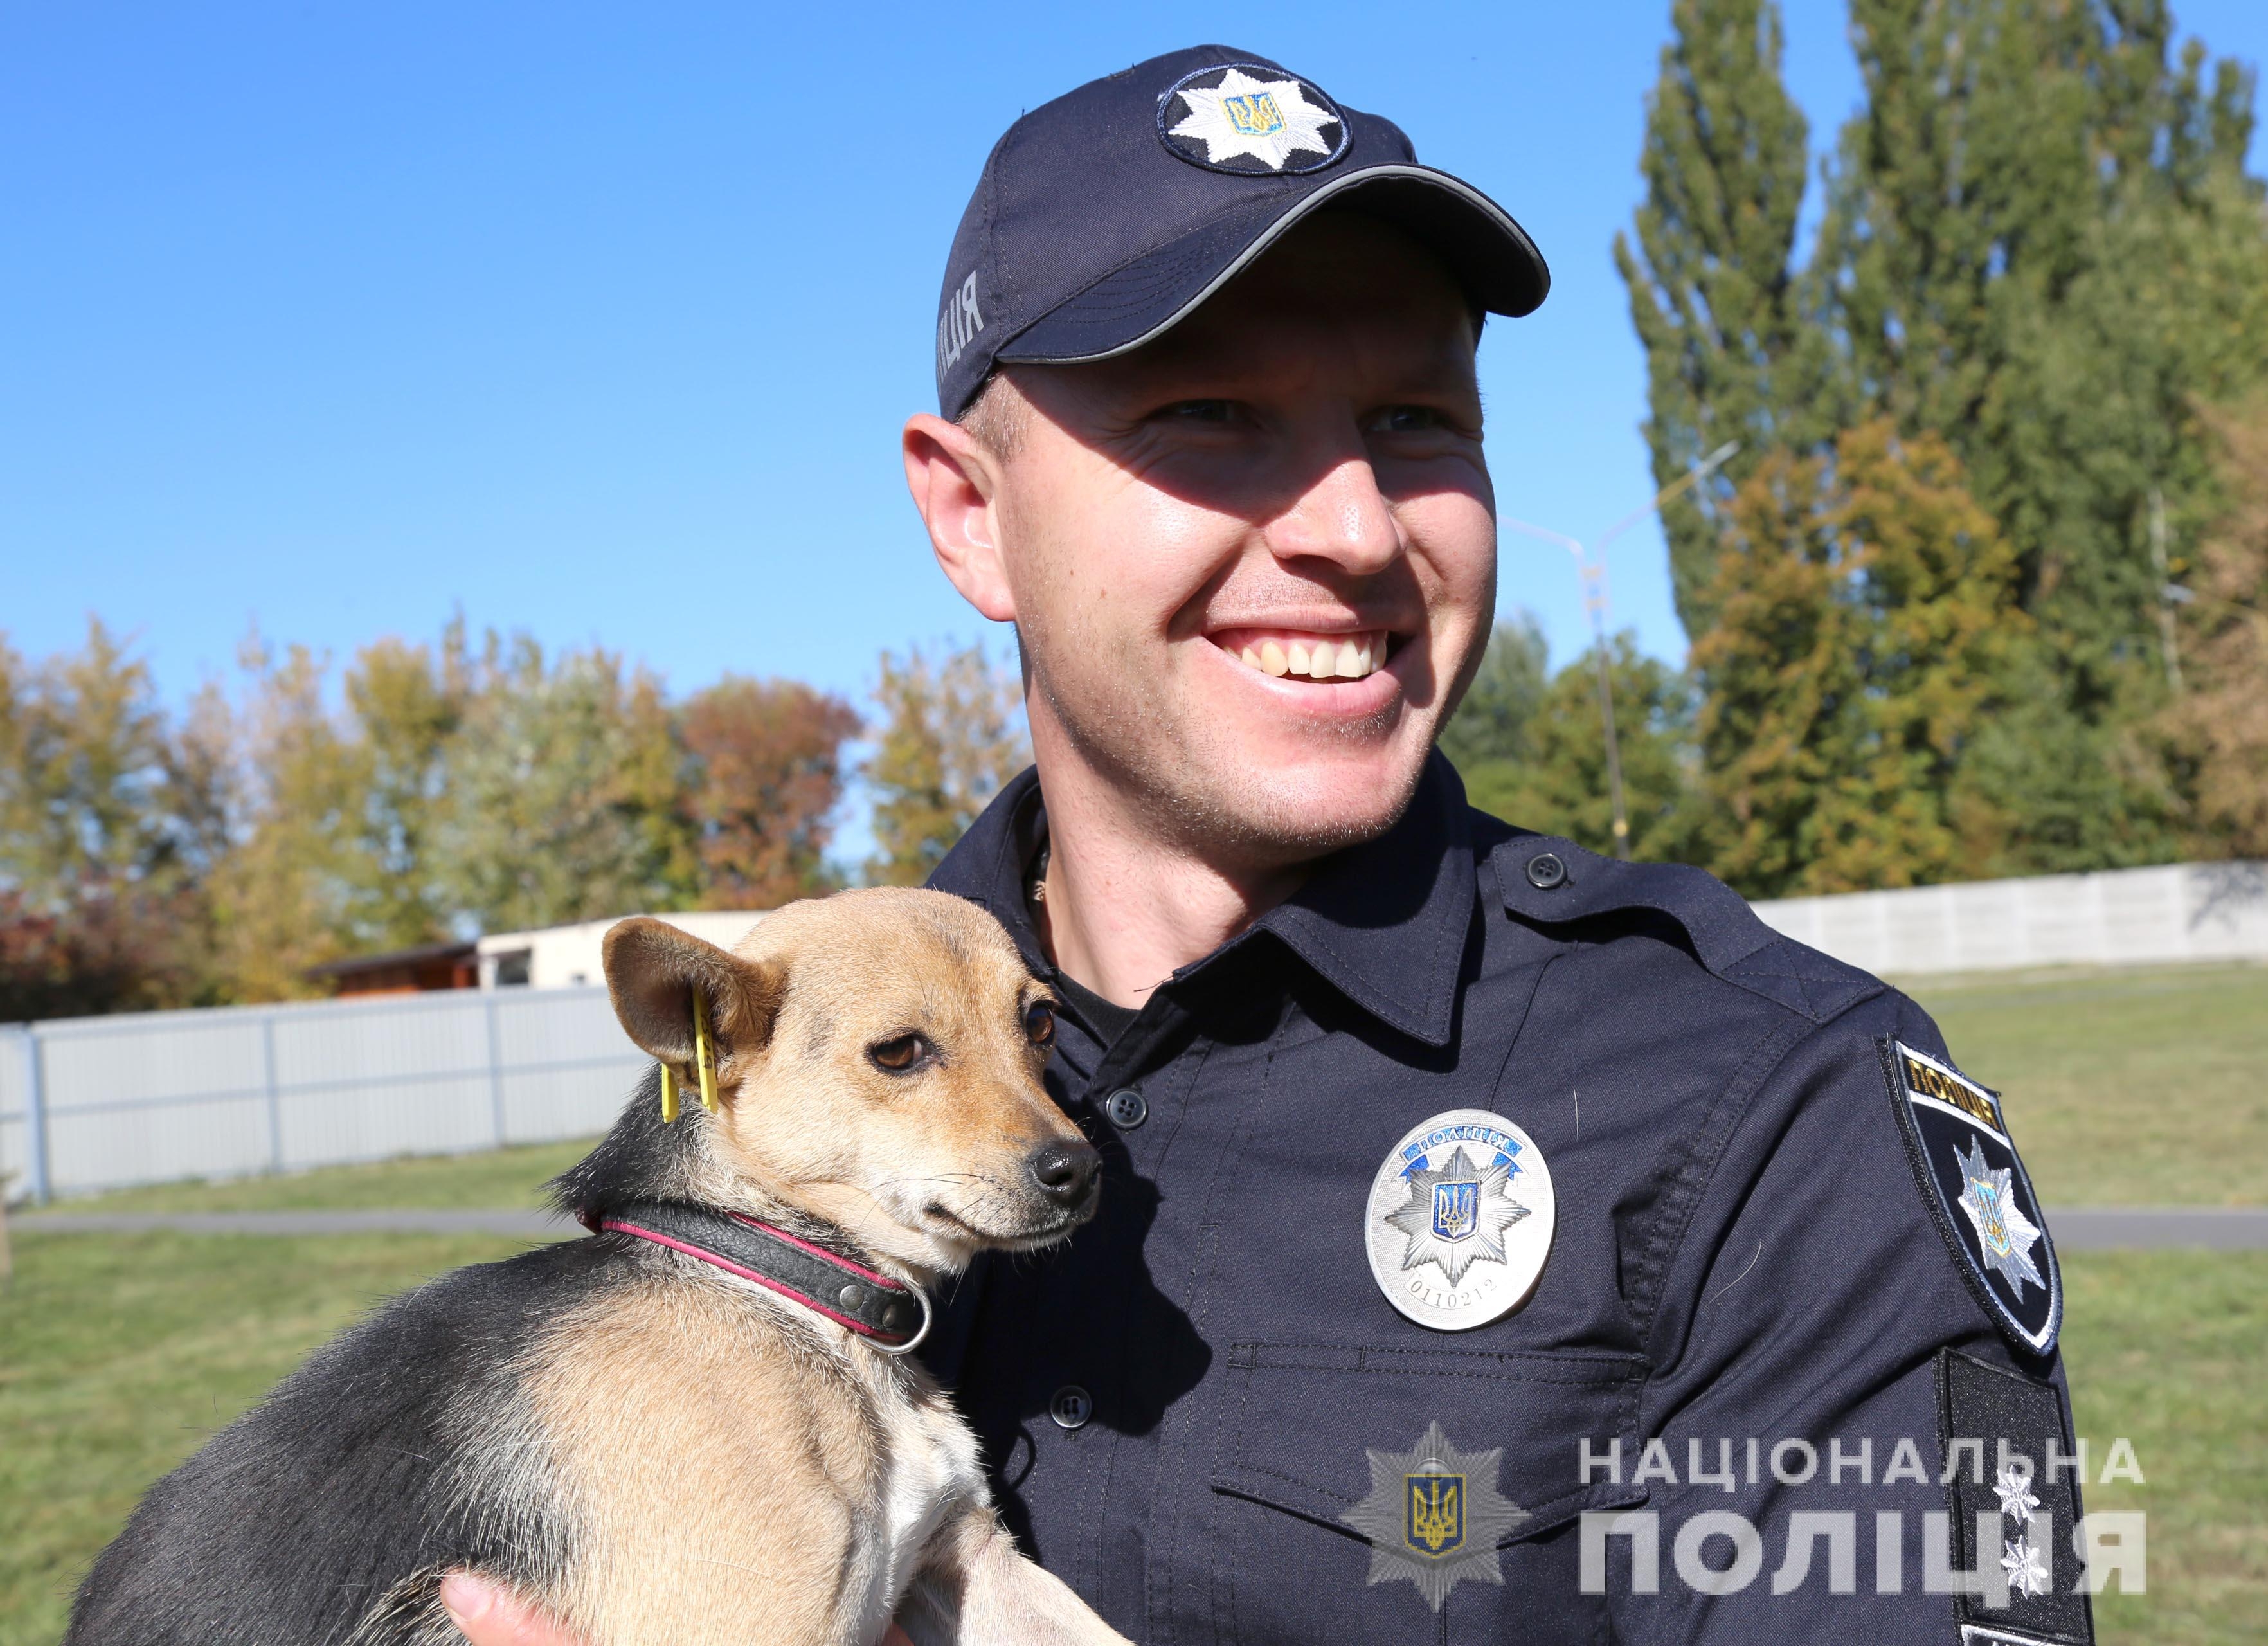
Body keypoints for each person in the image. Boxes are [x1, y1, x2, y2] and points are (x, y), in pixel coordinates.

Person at [447, 46, 2092, 1645]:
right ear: (969, 513)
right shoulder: (799, 1072)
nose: (1360, 527)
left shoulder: (1783, 1109)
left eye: (1416, 417)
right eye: (1211, 411)